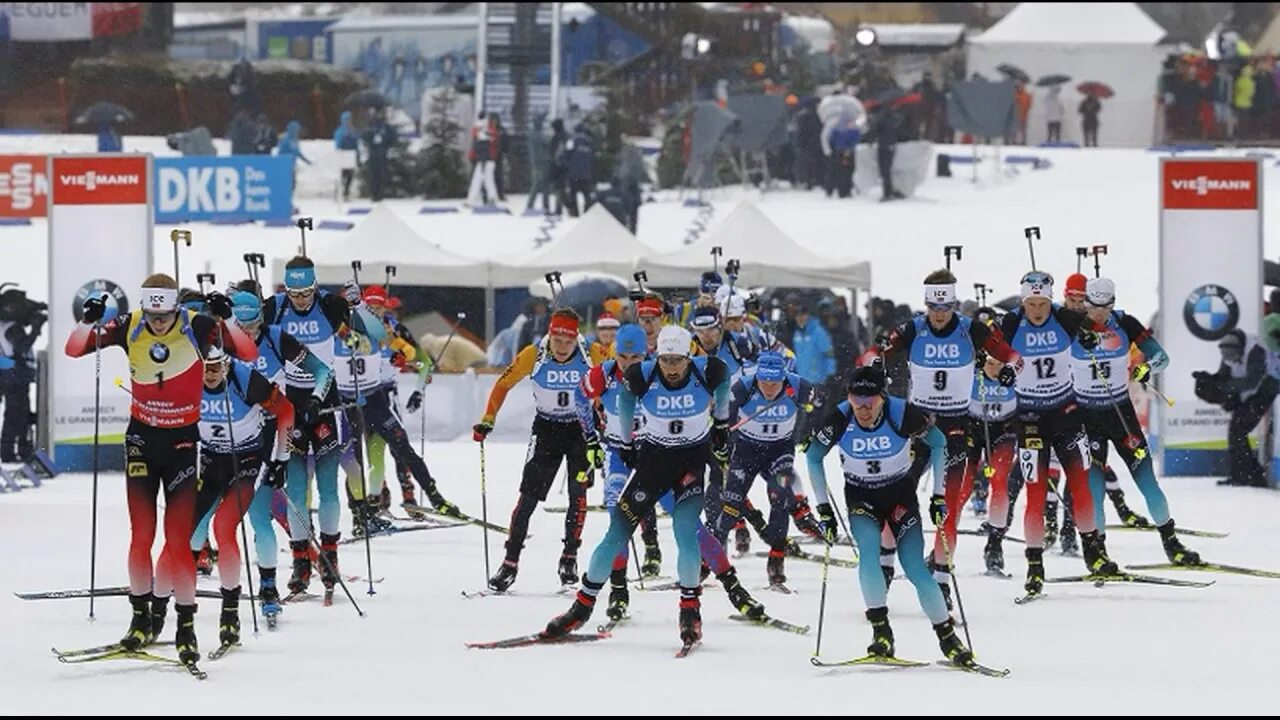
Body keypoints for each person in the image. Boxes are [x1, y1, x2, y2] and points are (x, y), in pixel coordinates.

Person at [64, 274, 257, 666]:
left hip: (183, 444)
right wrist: (88, 321)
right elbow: (72, 350)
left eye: (163, 315)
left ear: (174, 308)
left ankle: (185, 628)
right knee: (142, 536)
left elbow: (249, 354)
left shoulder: (197, 324)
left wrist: (229, 319)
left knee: (178, 540)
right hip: (140, 441)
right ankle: (140, 621)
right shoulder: (132, 323)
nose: (156, 322)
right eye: (151, 314)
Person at [543, 325, 731, 648]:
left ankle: (690, 611)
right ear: (656, 356)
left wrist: (723, 425)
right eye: (666, 360)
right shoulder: (641, 375)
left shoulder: (710, 371)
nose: (671, 368)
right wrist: (627, 441)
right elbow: (626, 398)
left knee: (686, 531)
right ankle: (582, 606)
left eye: (678, 361)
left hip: (690, 465)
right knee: (617, 532)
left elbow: (725, 385)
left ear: (689, 357)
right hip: (653, 465)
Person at [574, 324, 765, 623]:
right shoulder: (605, 374)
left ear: (647, 353)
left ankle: (732, 585)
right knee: (618, 524)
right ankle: (617, 590)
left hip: (671, 456)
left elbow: (720, 381)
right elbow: (578, 398)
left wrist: (719, 425)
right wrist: (591, 439)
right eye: (622, 356)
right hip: (625, 457)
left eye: (635, 356)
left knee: (691, 530)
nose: (628, 363)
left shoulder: (650, 373)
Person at [803, 364, 974, 665]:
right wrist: (824, 510)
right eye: (856, 402)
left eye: (869, 403)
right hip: (861, 497)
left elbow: (939, 444)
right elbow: (813, 457)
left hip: (899, 495)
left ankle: (948, 638)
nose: (863, 410)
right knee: (869, 555)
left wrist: (937, 496)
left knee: (915, 568)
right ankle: (881, 633)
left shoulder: (901, 413)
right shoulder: (841, 418)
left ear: (882, 397)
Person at [879, 269, 1020, 607]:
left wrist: (1007, 370)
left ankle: (942, 579)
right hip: (917, 425)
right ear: (926, 303)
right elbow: (878, 350)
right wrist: (874, 368)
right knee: (895, 498)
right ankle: (883, 568)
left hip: (957, 427)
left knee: (950, 506)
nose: (939, 314)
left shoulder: (971, 329)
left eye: (945, 308)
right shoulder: (914, 327)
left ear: (953, 304)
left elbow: (1012, 356)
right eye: (933, 307)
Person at [999, 271, 1120, 598]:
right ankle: (1035, 565)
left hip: (1066, 413)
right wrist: (1001, 371)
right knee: (1035, 494)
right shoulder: (1011, 324)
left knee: (1080, 486)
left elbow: (1099, 331)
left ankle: (1094, 553)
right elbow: (987, 357)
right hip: (1030, 419)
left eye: (1042, 303)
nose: (1037, 310)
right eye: (1030, 303)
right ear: (1022, 301)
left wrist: (1092, 338)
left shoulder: (1064, 317)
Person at [1070, 277, 1200, 564]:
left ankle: (1171, 543)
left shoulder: (1124, 323)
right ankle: (1098, 552)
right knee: (1095, 490)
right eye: (1094, 307)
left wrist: (1145, 369)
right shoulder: (1070, 326)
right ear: (1085, 303)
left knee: (1147, 482)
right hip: (1086, 418)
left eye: (1106, 306)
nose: (1100, 314)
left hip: (1121, 415)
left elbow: (1161, 358)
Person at [473, 308, 593, 591]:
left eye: (568, 341)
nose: (562, 347)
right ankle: (509, 563)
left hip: (581, 431)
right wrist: (488, 420)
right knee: (528, 498)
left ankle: (569, 557)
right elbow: (503, 384)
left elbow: (618, 375)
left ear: (576, 339)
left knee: (578, 497)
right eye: (557, 340)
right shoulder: (533, 354)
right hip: (547, 430)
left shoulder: (593, 354)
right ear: (549, 335)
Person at [227, 289, 330, 618]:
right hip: (233, 438)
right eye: (240, 329)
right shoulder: (220, 342)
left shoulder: (276, 339)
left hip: (274, 434)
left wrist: (314, 399)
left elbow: (323, 371)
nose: (247, 336)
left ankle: (271, 585)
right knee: (216, 517)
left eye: (253, 327)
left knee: (263, 514)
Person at [260, 257, 354, 598]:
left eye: (306, 293)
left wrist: (357, 307)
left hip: (326, 404)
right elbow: (249, 335)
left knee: (329, 486)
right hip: (291, 406)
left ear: (315, 287)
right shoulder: (274, 308)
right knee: (296, 488)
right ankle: (301, 561)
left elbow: (373, 334)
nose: (300, 300)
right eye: (294, 293)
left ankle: (330, 556)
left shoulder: (330, 305)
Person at [190, 345, 293, 649]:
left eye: (215, 368)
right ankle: (178, 596)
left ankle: (243, 603)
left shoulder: (244, 379)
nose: (209, 375)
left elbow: (285, 411)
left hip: (247, 461)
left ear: (226, 364)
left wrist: (282, 459)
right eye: (204, 368)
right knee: (192, 530)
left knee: (230, 526)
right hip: (211, 462)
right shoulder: (188, 378)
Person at [717, 351, 824, 587]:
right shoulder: (742, 389)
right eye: (764, 381)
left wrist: (810, 434)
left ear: (783, 378)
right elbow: (723, 421)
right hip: (746, 451)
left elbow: (820, 406)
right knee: (731, 504)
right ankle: (711, 562)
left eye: (774, 382)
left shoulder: (799, 386)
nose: (768, 387)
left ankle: (777, 559)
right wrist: (723, 445)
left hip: (779, 451)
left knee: (779, 496)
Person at [1200, 329, 1276, 487]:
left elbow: (1252, 381)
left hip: (1269, 386)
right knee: (1236, 431)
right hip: (1250, 392)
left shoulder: (1255, 350)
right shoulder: (1229, 351)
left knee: (1238, 430)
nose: (1231, 361)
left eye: (1234, 357)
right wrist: (1209, 381)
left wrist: (1226, 388)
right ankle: (1249, 475)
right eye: (1227, 357)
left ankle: (1246, 475)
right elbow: (1224, 376)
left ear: (1240, 349)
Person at [0, 287, 44, 462]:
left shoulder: (6, 326)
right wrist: (35, 328)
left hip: (11, 375)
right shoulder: (11, 328)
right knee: (17, 414)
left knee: (17, 413)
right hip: (14, 376)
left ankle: (14, 450)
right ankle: (10, 452)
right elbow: (22, 346)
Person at [789, 301, 835, 388]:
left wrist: (830, 375)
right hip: (801, 380)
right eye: (798, 316)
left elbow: (829, 354)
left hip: (818, 380)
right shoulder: (797, 334)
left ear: (808, 316)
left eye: (803, 315)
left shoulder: (818, 332)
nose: (800, 318)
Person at [466, 112, 500, 207]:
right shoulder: (490, 131)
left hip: (483, 160)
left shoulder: (479, 132)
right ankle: (491, 198)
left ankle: (471, 200)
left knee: (479, 180)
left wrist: (473, 157)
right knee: (487, 180)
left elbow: (477, 146)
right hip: (488, 159)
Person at [361, 109, 397, 202]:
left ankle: (380, 194)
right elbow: (364, 137)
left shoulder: (386, 127)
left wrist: (386, 146)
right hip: (373, 154)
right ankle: (373, 194)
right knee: (373, 175)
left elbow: (392, 138)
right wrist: (370, 142)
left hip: (382, 154)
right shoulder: (370, 126)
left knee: (381, 175)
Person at [276, 120, 313, 191]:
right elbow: (280, 152)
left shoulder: (295, 140)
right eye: (297, 130)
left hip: (292, 166)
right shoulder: (285, 139)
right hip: (285, 166)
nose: (297, 132)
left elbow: (298, 153)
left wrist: (307, 161)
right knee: (286, 184)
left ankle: (289, 198)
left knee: (292, 185)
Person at [334, 111, 360, 201]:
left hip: (351, 155)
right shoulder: (340, 131)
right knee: (341, 175)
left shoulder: (353, 131)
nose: (348, 121)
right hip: (342, 155)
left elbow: (356, 144)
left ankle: (346, 192)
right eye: (347, 119)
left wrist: (357, 156)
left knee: (350, 176)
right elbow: (337, 144)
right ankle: (338, 193)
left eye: (349, 119)